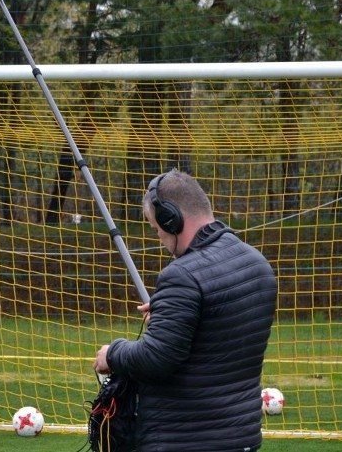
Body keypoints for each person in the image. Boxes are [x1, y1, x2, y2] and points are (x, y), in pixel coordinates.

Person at [93, 169, 277, 452]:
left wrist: (113, 353)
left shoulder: (181, 275)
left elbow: (156, 359)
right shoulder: (257, 263)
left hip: (184, 441)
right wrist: (172, 313)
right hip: (241, 439)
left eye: (156, 229)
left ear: (171, 218)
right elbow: (218, 332)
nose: (160, 239)